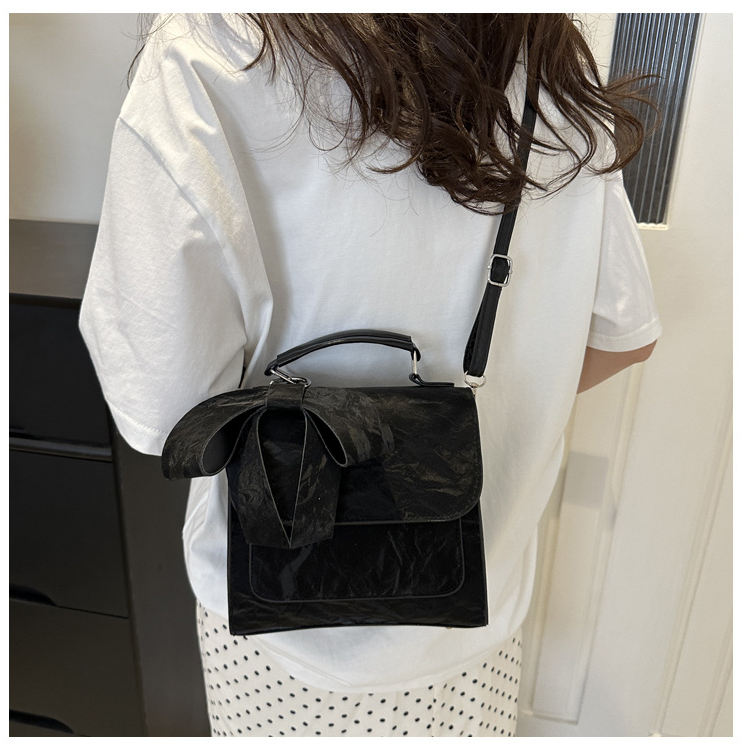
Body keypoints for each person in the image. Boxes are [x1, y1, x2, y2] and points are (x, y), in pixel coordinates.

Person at [79, 13, 661, 737]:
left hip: (276, 631)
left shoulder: (211, 47)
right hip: (474, 618)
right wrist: (469, 415)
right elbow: (622, 336)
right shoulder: (545, 56)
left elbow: (162, 406)